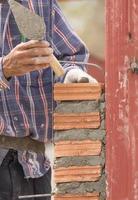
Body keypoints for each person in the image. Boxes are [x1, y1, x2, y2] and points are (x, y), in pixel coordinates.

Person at [0, 0, 97, 199]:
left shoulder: (41, 4)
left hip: (36, 163)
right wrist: (4, 69)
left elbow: (71, 57)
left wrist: (70, 74)